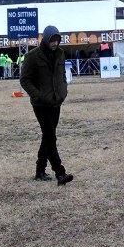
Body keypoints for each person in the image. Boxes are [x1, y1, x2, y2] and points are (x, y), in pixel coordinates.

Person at [20, 25, 73, 185]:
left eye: (57, 40)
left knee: (47, 137)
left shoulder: (61, 54)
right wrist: (38, 95)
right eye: (52, 40)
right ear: (46, 39)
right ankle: (60, 173)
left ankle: (40, 170)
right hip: (41, 104)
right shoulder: (32, 56)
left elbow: (62, 74)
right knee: (51, 136)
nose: (55, 43)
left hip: (56, 102)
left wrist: (63, 91)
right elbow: (25, 79)